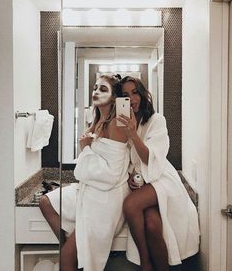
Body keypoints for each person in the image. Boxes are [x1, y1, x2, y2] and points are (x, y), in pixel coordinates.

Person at [39, 74, 130, 271]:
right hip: (90, 189)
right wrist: (86, 148)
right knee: (45, 202)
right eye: (95, 87)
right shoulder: (96, 121)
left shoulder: (118, 123)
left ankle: (70, 252)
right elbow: (91, 162)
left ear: (115, 98)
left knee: (66, 260)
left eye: (103, 89)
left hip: (106, 198)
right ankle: (70, 248)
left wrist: (85, 148)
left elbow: (112, 175)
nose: (96, 91)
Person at [117, 76, 200, 271]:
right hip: (143, 183)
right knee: (153, 225)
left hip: (162, 179)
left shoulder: (156, 120)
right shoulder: (123, 124)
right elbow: (127, 159)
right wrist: (130, 176)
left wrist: (133, 135)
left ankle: (146, 264)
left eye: (134, 92)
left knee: (130, 205)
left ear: (143, 93)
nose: (132, 99)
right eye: (125, 95)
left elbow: (150, 158)